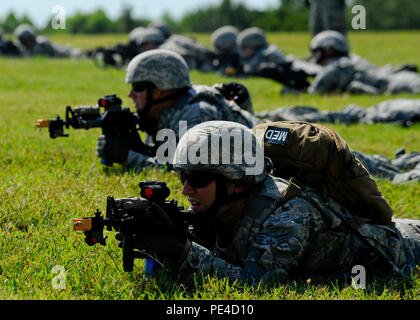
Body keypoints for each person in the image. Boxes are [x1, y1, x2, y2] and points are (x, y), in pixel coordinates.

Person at [114, 120, 420, 287]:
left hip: (403, 251)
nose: (185, 189)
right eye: (183, 176)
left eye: (198, 178)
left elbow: (258, 285)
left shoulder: (288, 215)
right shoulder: (227, 204)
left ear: (235, 181)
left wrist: (181, 249)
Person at [96, 49, 260, 172]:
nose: (130, 94)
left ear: (162, 90)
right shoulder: (161, 112)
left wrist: (126, 157)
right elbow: (161, 154)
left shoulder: (195, 113)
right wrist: (134, 146)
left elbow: (184, 169)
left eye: (138, 87)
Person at [308, 30, 420, 94]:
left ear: (329, 50)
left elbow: (317, 89)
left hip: (395, 83)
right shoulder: (352, 59)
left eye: (317, 52)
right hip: (398, 77)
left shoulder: (341, 64)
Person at [14, 24, 84, 58]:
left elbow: (29, 55)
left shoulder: (40, 44)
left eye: (23, 41)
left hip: (71, 54)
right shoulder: (37, 43)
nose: (22, 44)